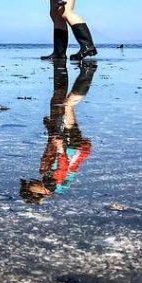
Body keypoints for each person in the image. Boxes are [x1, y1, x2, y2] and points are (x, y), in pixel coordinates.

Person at [20, 61, 95, 204]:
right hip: (71, 148)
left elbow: (50, 153)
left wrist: (51, 130)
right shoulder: (52, 184)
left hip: (73, 148)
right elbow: (62, 167)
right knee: (67, 105)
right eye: (29, 186)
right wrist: (61, 148)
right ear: (36, 193)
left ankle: (86, 72)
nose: (29, 183)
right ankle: (88, 72)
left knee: (66, 106)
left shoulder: (51, 184)